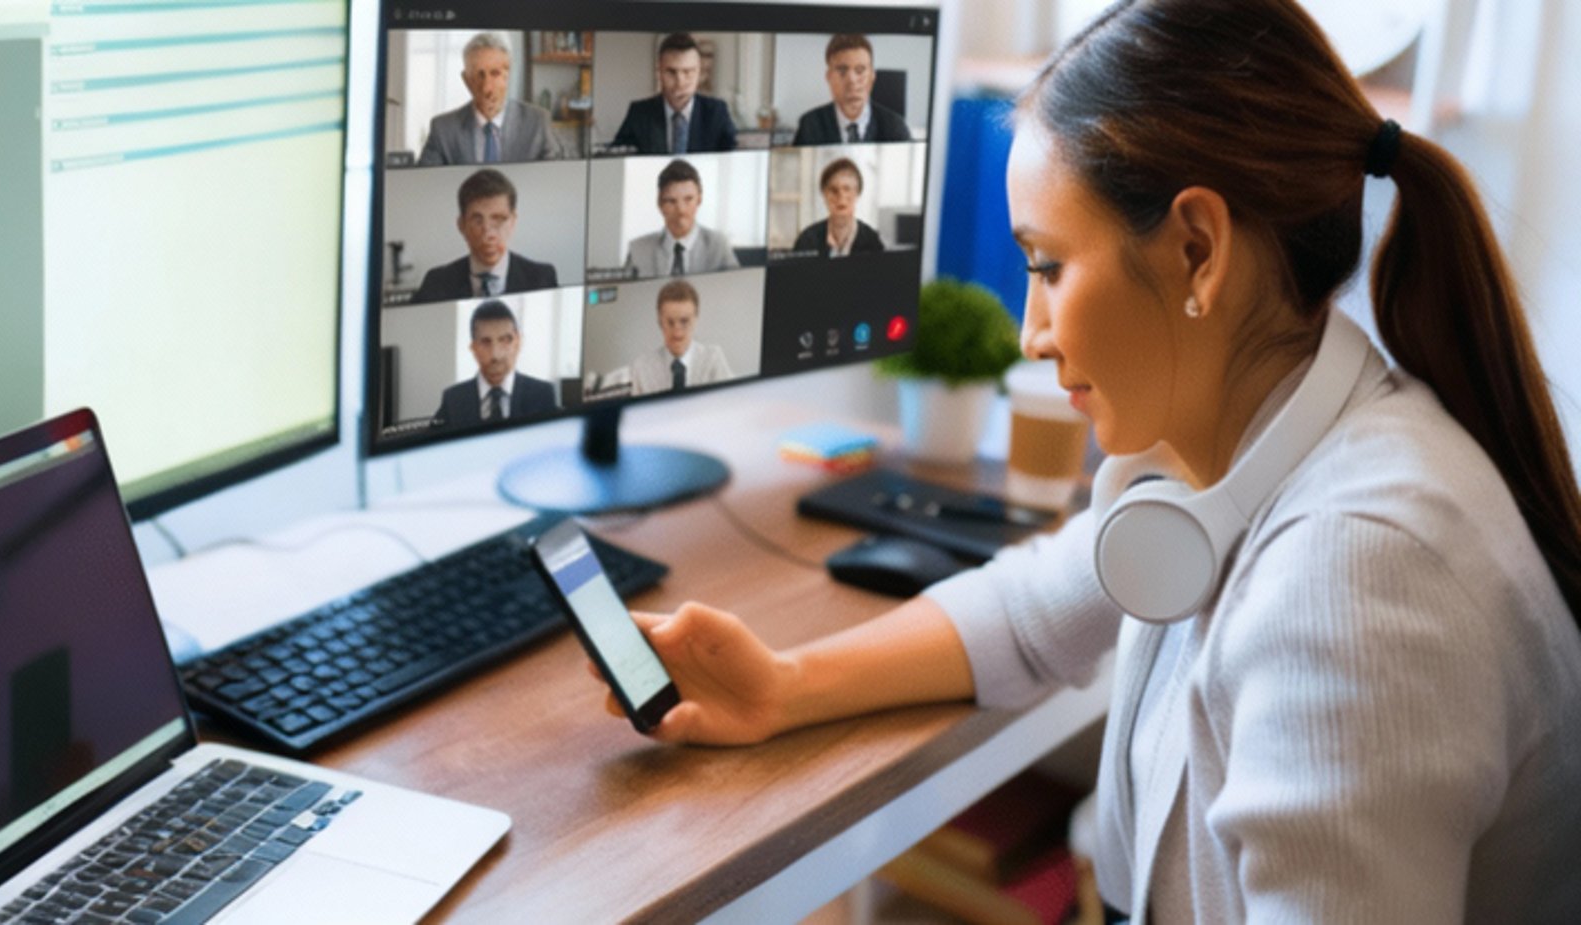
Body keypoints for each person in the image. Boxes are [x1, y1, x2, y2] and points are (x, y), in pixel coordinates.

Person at [590, 1, 1581, 922]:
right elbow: (1027, 612)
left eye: (1048, 266)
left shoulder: (1357, 578)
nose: (1031, 332)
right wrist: (784, 685)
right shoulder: (1246, 446)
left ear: (1198, 249)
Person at [418, 32, 565, 166]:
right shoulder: (443, 129)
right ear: (466, 80)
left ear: (508, 76)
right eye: (478, 75)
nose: (487, 88)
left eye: (495, 73)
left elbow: (557, 180)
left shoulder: (537, 123)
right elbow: (425, 185)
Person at [414, 168, 558, 303]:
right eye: (477, 221)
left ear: (513, 222)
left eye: (498, 220)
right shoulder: (436, 282)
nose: (488, 234)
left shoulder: (542, 278)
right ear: (461, 226)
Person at [431, 300, 558, 426]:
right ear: (473, 348)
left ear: (518, 343)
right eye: (486, 342)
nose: (496, 355)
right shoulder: (453, 399)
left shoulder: (543, 395)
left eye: (505, 340)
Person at [609, 33, 737, 155]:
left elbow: (734, 158)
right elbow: (617, 160)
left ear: (699, 72)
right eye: (671, 72)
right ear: (659, 72)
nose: (680, 82)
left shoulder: (716, 113)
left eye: (688, 72)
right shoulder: (639, 113)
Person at [624, 159, 739, 278]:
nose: (681, 210)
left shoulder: (719, 246)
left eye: (688, 199)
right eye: (671, 201)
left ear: (699, 200)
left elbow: (738, 290)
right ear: (659, 203)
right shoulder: (638, 250)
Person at [791, 34, 912, 145]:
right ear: (828, 77)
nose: (852, 80)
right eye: (842, 70)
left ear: (872, 77)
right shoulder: (810, 125)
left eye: (860, 70)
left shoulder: (894, 126)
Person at [627, 279, 732, 395]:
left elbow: (729, 405)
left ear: (696, 319)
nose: (677, 333)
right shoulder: (641, 368)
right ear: (659, 321)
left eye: (684, 321)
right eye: (670, 322)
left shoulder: (714, 359)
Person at [791, 158, 884, 257]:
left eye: (847, 189)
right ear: (824, 195)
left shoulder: (873, 242)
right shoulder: (806, 241)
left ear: (858, 193)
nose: (841, 196)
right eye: (833, 190)